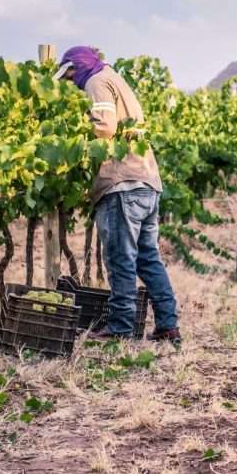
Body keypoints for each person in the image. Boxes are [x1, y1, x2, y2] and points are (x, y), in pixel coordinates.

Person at [53, 46, 181, 344]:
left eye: (70, 75)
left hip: (122, 183)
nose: (72, 82)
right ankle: (168, 325)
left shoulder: (97, 81)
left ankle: (120, 328)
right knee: (148, 257)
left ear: (78, 66)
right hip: (147, 180)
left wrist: (73, 139)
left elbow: (105, 128)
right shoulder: (116, 79)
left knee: (120, 259)